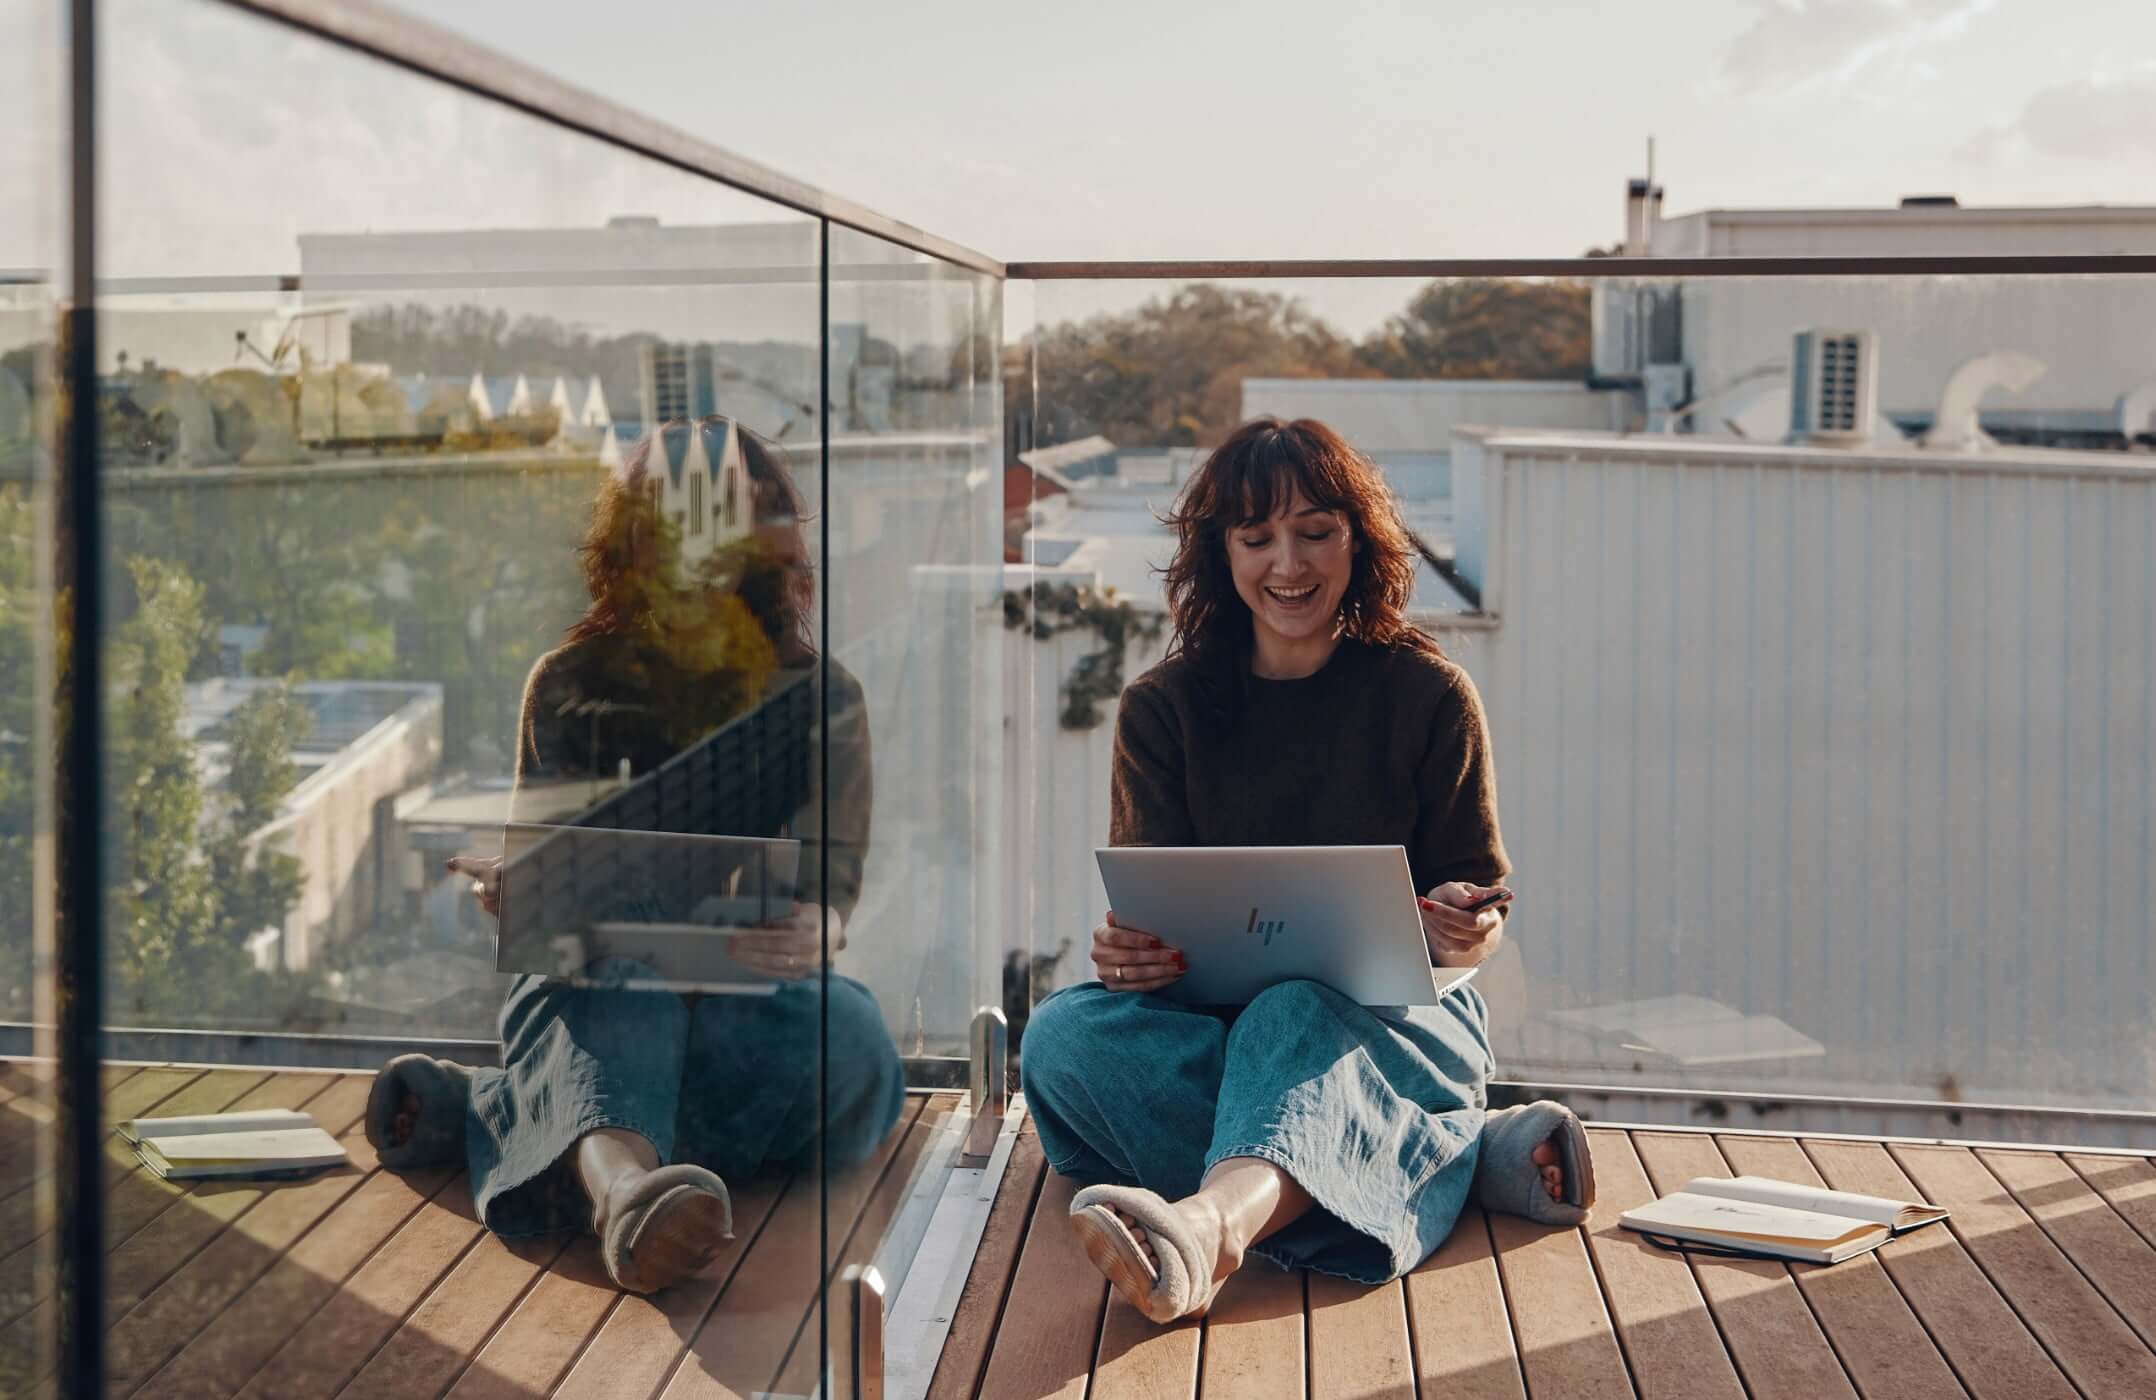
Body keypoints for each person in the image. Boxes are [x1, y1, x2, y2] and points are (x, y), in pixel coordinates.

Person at [1018, 417, 1595, 1325]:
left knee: (1291, 1011)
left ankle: (1206, 1231)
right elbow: (1159, 918)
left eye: (1316, 531)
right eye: (1257, 538)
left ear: (1357, 541)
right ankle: (1443, 1156)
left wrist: (1464, 923)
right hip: (1212, 1029)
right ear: (1223, 554)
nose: (1289, 563)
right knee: (1061, 1039)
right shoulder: (1160, 710)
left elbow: (1476, 902)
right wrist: (1131, 959)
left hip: (1398, 1031)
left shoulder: (1430, 695)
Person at [363, 416, 906, 1294]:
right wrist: (518, 893)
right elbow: (544, 891)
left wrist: (822, 928)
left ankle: (500, 1110)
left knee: (856, 1052)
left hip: (750, 994)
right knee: (626, 965)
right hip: (598, 981)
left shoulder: (822, 696)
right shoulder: (568, 682)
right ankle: (624, 1198)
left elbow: (833, 882)